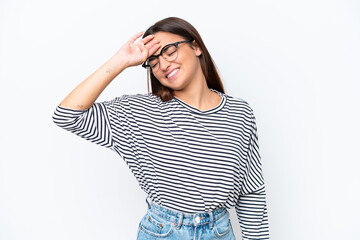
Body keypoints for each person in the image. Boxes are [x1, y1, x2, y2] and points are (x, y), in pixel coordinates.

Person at [53, 17, 270, 240]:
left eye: (169, 51)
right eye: (154, 62)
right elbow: (67, 114)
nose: (163, 65)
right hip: (163, 233)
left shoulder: (239, 113)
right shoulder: (138, 113)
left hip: (219, 232)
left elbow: (250, 191)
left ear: (196, 46)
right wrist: (120, 61)